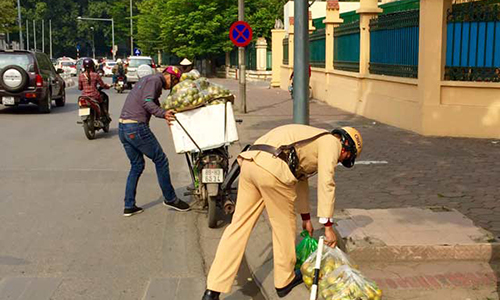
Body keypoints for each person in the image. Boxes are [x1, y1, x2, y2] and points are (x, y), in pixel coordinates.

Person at [201, 124, 363, 300]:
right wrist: (328, 227)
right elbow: (327, 182)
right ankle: (284, 281)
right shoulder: (332, 142)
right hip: (273, 169)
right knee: (284, 228)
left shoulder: (312, 138)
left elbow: (300, 179)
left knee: (238, 227)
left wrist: (306, 217)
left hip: (250, 163)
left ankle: (212, 290)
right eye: (346, 158)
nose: (341, 160)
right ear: (346, 146)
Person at [118, 66, 190, 217]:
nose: (172, 87)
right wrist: (163, 114)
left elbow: (153, 102)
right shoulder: (156, 80)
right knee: (161, 160)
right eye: (174, 82)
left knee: (137, 165)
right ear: (170, 76)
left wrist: (166, 111)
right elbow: (147, 102)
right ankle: (170, 199)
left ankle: (129, 205)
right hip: (136, 127)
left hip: (123, 127)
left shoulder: (147, 80)